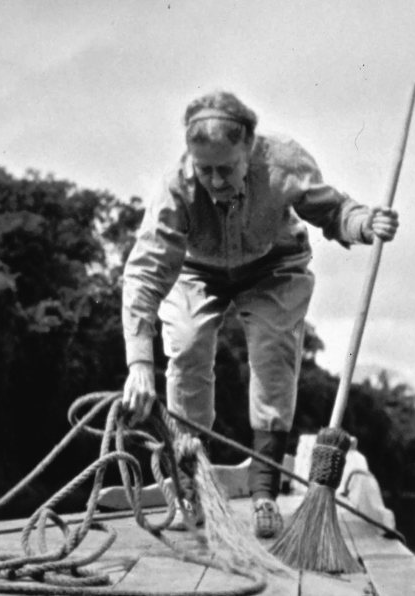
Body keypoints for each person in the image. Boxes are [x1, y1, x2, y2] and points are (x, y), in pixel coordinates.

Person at [120, 91, 398, 538]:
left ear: (248, 148)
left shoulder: (283, 162)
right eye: (204, 170)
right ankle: (191, 481)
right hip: (196, 269)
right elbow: (145, 272)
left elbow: (333, 210)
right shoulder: (175, 187)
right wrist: (137, 362)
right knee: (187, 345)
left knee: (272, 355)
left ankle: (264, 490)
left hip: (273, 266)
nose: (215, 181)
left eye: (226, 169)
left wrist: (365, 223)